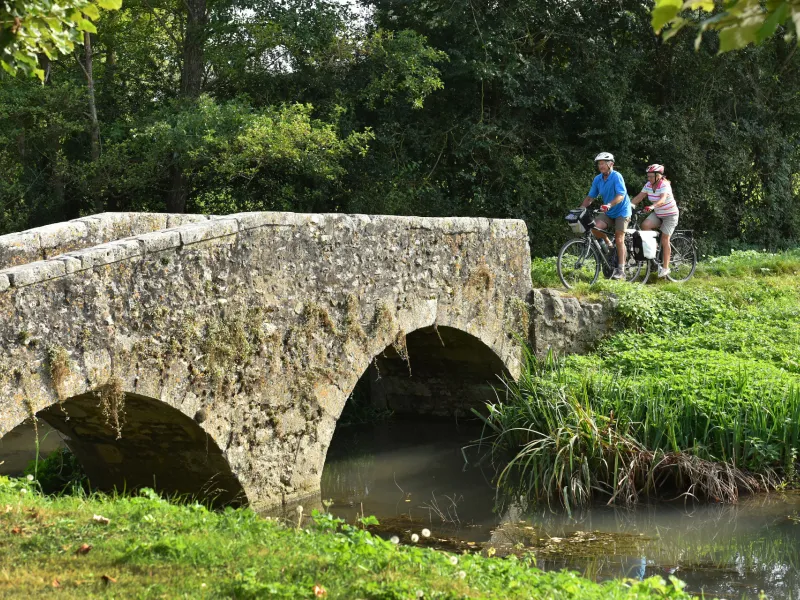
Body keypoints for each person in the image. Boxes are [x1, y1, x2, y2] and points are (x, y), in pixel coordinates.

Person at [579, 152, 632, 280]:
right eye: (599, 163)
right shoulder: (598, 179)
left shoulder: (616, 176)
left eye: (603, 163)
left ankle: (621, 270)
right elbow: (591, 197)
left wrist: (609, 204)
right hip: (609, 212)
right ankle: (608, 244)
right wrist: (580, 209)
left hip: (622, 211)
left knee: (619, 238)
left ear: (611, 164)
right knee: (594, 227)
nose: (600, 166)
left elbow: (621, 195)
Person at [631, 164, 679, 277]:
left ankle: (666, 268)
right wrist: (630, 205)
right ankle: (653, 251)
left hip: (670, 215)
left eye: (651, 176)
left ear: (659, 176)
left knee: (665, 238)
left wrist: (652, 206)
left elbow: (662, 199)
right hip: (658, 214)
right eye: (648, 176)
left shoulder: (664, 185)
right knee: (645, 225)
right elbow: (639, 197)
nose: (649, 178)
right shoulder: (648, 185)